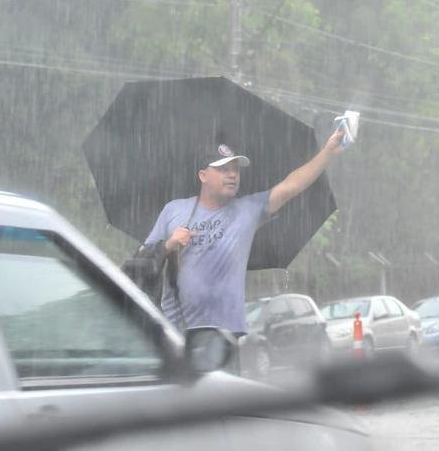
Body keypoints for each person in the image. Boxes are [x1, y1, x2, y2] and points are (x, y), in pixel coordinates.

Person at [143, 129, 346, 340]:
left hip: (226, 335)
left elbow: (291, 185)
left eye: (235, 170)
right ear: (203, 175)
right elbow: (142, 259)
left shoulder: (247, 210)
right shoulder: (173, 210)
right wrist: (169, 245)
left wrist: (328, 152)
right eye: (223, 169)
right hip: (175, 333)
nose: (232, 175)